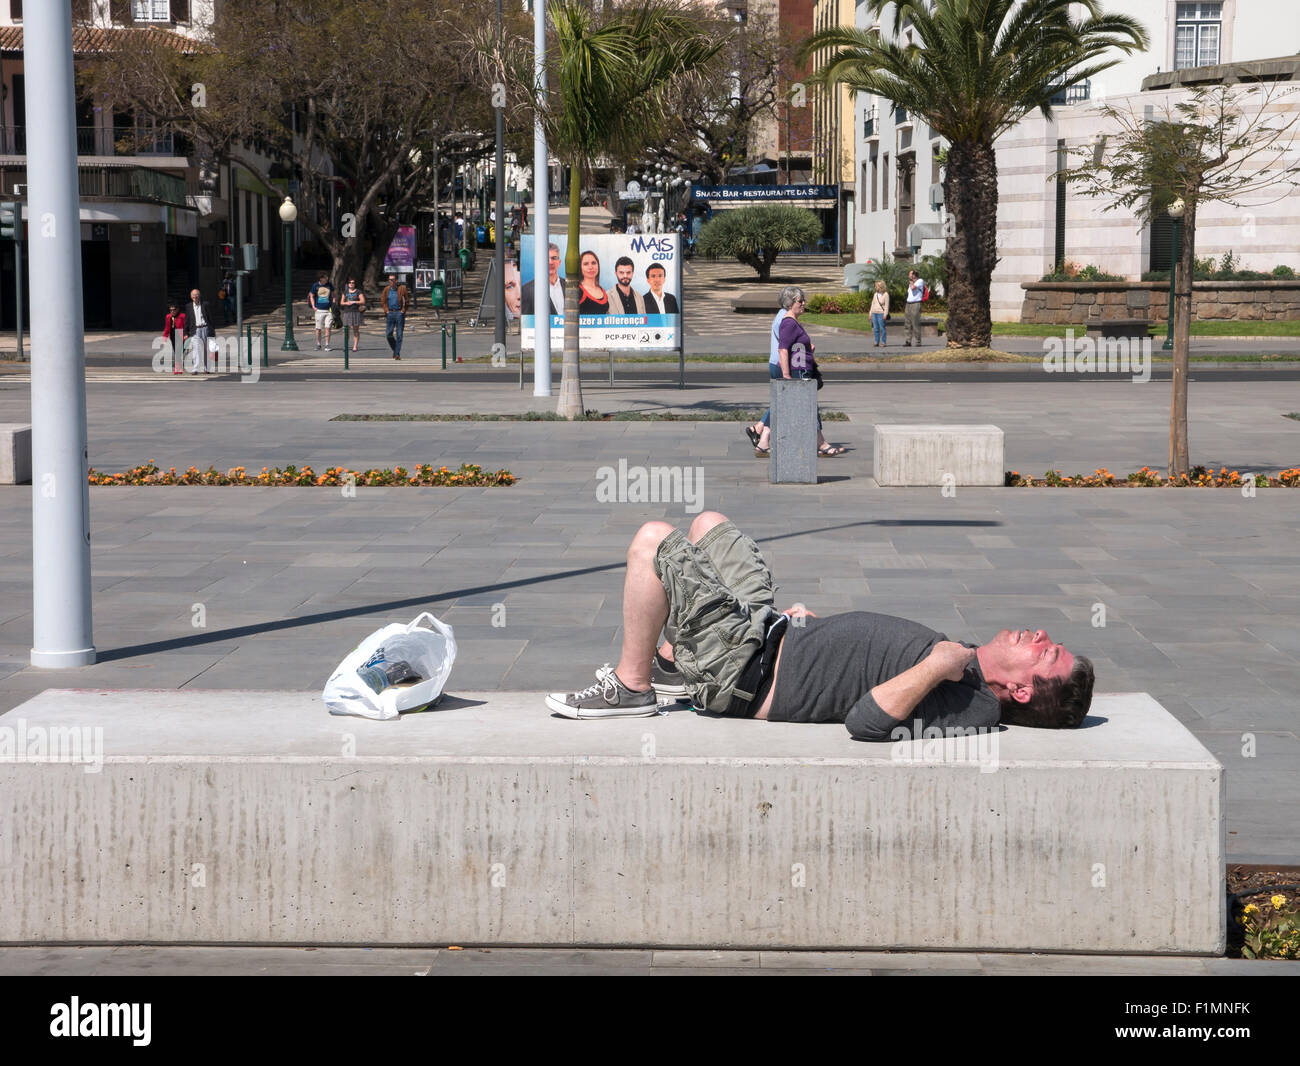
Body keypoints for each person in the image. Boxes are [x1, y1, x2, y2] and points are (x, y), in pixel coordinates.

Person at [546, 512, 1095, 741]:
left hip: (742, 670)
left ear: (1021, 691)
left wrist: (935, 665)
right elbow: (859, 660)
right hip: (771, 632)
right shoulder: (969, 662)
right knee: (708, 526)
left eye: (1047, 653)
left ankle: (633, 686)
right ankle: (671, 666)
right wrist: (809, 629)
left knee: (652, 541)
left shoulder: (976, 704)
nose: (1040, 635)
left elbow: (865, 722)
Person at [746, 286, 845, 458]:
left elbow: (790, 346)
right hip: (790, 370)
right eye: (801, 301)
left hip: (794, 368)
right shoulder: (787, 322)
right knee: (806, 406)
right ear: (791, 303)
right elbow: (783, 349)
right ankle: (820, 443)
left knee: (785, 403)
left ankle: (762, 438)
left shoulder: (789, 320)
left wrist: (806, 349)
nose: (804, 303)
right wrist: (786, 377)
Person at [520, 242, 565, 316]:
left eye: (554, 258)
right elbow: (526, 321)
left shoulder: (569, 286)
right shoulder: (527, 290)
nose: (550, 262)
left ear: (559, 262)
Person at [183, 288, 216, 373]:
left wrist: (212, 331)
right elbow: (187, 320)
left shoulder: (205, 304)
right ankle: (195, 368)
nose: (195, 296)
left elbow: (210, 318)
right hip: (195, 330)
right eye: (193, 295)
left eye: (196, 295)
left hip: (205, 328)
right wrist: (185, 332)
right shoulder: (188, 306)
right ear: (191, 297)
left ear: (199, 296)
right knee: (196, 349)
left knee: (206, 349)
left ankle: (206, 368)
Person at [380, 272, 410, 360]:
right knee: (389, 334)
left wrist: (403, 310)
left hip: (399, 313)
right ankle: (395, 350)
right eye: (389, 280)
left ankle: (397, 354)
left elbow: (407, 301)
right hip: (390, 313)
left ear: (396, 281)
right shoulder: (386, 289)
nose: (390, 281)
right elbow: (383, 301)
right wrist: (386, 311)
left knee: (399, 334)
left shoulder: (402, 289)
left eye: (392, 280)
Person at [308, 272, 336, 351]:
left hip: (328, 310)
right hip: (319, 310)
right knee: (318, 328)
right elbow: (311, 295)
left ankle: (327, 345)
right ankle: (318, 344)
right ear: (321, 278)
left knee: (328, 327)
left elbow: (333, 295)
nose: (327, 278)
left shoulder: (329, 285)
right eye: (325, 277)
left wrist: (333, 303)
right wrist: (313, 306)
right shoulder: (316, 285)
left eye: (327, 277)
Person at [576, 249, 609, 316]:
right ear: (580, 268)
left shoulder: (602, 290)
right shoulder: (577, 290)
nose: (590, 267)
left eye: (593, 263)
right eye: (586, 264)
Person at [161, 301, 186, 375]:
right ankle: (179, 367)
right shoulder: (168, 316)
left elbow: (186, 326)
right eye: (171, 310)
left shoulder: (182, 316)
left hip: (180, 334)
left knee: (179, 352)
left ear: (178, 309)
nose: (172, 311)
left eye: (174, 309)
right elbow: (167, 327)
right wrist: (165, 336)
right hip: (172, 335)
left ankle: (177, 368)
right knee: (177, 352)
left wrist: (186, 335)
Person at [340, 278, 365, 352]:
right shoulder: (345, 292)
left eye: (353, 282)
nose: (351, 284)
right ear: (348, 284)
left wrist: (354, 302)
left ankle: (355, 346)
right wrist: (346, 303)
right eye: (350, 282)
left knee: (356, 330)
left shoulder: (358, 291)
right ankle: (346, 346)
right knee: (346, 330)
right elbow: (341, 302)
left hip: (356, 312)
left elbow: (363, 301)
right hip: (347, 312)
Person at [904, 269, 925, 347]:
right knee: (907, 323)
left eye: (910, 274)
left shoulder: (920, 281)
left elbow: (913, 288)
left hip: (916, 304)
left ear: (913, 275)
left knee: (915, 323)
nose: (908, 275)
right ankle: (908, 341)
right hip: (908, 304)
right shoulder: (910, 283)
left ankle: (918, 341)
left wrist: (911, 280)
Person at [870, 280, 890, 347]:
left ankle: (883, 342)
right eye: (875, 286)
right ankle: (876, 341)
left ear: (880, 286)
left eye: (877, 286)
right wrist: (870, 312)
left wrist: (885, 314)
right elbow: (872, 304)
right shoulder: (875, 294)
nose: (875, 287)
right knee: (875, 328)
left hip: (881, 313)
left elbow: (887, 306)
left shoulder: (885, 294)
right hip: (874, 313)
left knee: (882, 328)